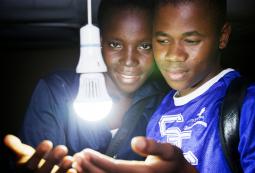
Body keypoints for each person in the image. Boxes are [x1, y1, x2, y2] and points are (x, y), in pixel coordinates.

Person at [69, 0, 255, 173]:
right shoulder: (160, 111)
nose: (174, 55)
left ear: (223, 36)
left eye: (191, 41)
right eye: (162, 41)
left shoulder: (250, 103)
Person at [3, 0, 169, 172]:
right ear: (98, 42)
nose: (129, 61)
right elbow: (37, 159)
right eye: (115, 44)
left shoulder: (165, 102)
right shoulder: (57, 90)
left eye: (144, 46)